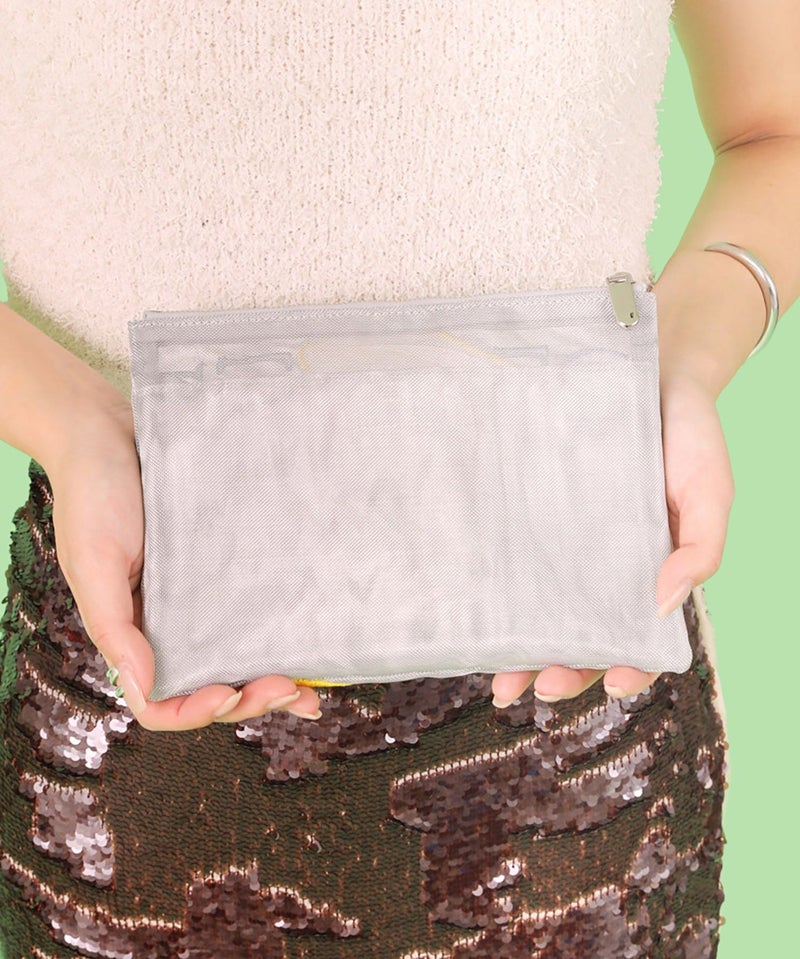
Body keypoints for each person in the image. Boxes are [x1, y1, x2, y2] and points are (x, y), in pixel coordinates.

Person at [0, 1, 795, 954]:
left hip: (578, 769)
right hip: (127, 720)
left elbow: (776, 131)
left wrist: (679, 368)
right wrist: (77, 422)